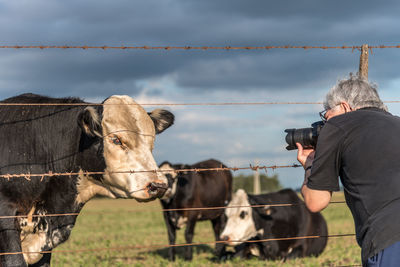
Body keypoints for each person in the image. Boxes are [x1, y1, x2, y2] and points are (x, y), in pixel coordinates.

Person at [296, 74, 400, 267]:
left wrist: (310, 164)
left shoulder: (337, 125)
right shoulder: (397, 122)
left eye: (326, 116)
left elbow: (315, 202)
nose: (324, 125)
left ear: (344, 107)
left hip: (388, 239)